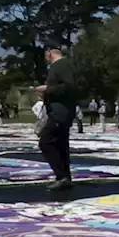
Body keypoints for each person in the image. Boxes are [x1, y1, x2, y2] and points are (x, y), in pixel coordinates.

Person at [33, 40, 79, 189]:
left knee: (46, 142)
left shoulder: (62, 65)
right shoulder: (62, 65)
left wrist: (48, 89)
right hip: (60, 110)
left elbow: (69, 86)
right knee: (60, 144)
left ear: (49, 52)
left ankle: (61, 175)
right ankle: (65, 177)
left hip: (60, 112)